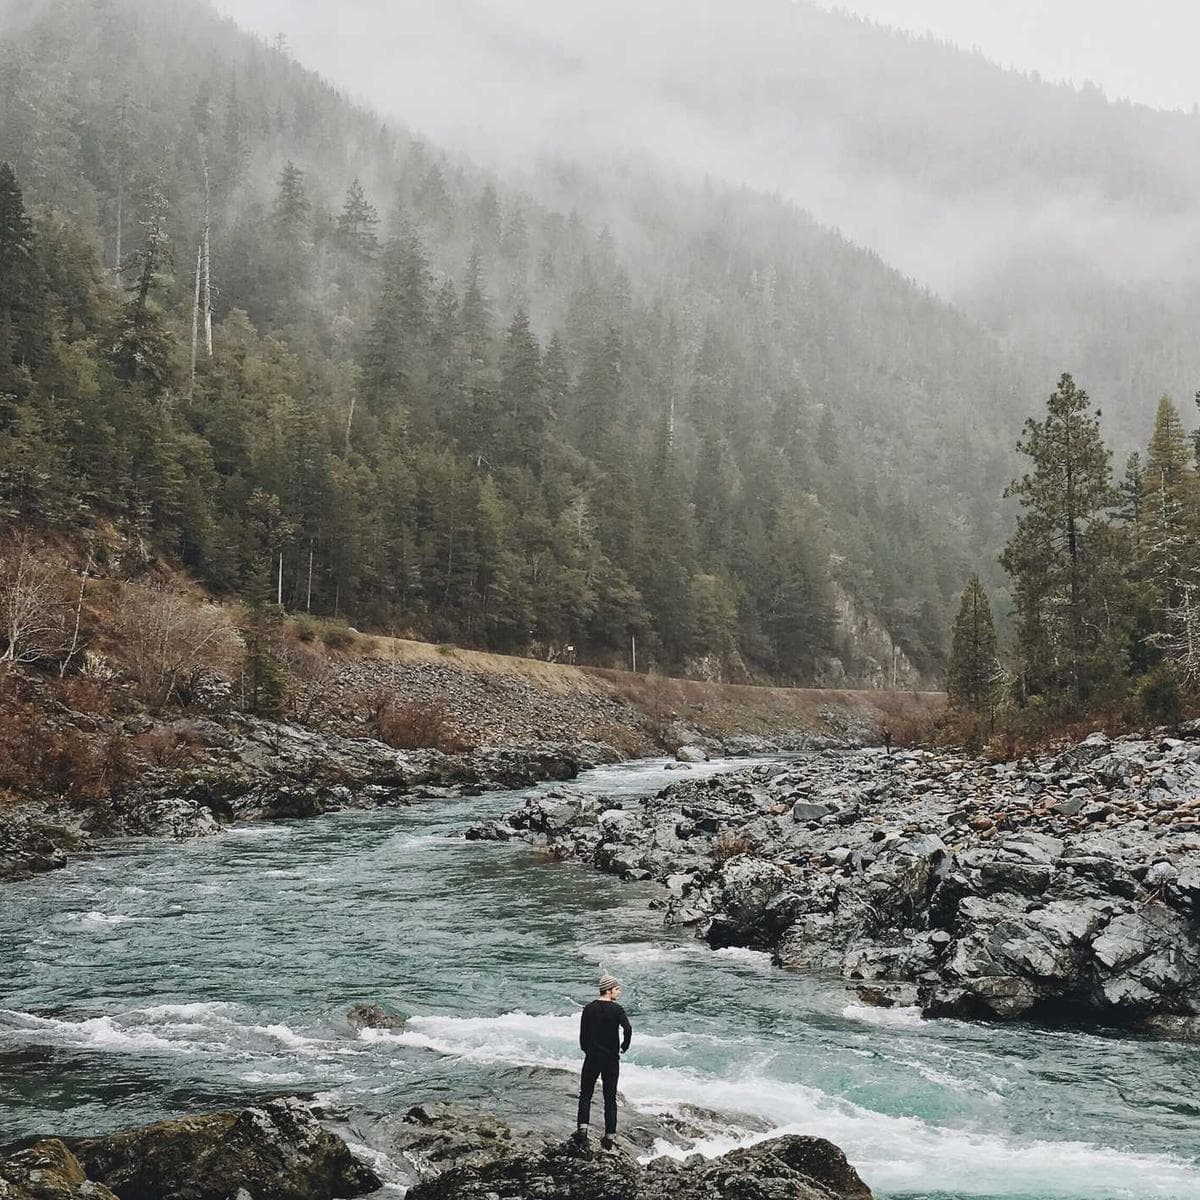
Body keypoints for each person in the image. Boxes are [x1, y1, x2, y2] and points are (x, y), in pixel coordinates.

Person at [572, 974, 632, 1153]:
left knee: (586, 1095)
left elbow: (583, 1035)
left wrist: (587, 1050)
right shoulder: (617, 1009)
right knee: (609, 1098)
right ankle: (609, 1137)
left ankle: (582, 1130)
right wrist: (624, 1047)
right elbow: (628, 1029)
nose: (619, 992)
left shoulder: (589, 1009)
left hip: (592, 1058)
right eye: (617, 989)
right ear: (609, 990)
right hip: (611, 1060)